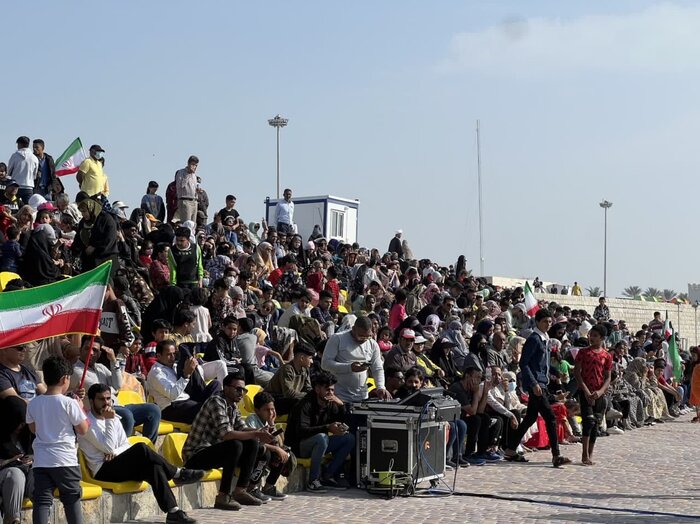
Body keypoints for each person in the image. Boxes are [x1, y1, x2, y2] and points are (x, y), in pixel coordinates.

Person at [78, 384, 201, 524]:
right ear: (92, 400)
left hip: (116, 463)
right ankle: (176, 473)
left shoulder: (113, 417)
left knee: (154, 468)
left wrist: (115, 452)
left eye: (108, 399)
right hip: (102, 469)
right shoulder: (88, 423)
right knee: (141, 448)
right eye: (101, 399)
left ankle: (173, 511)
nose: (106, 403)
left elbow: (123, 445)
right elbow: (109, 446)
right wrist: (110, 422)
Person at [182, 372, 274, 510]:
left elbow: (242, 428)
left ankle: (240, 491)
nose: (241, 393)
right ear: (225, 388)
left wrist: (261, 432)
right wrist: (256, 433)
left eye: (244, 390)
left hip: (214, 452)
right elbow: (226, 434)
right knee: (235, 445)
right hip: (195, 455)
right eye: (238, 389)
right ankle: (223, 496)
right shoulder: (216, 401)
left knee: (254, 443)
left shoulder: (232, 406)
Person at [502, 309, 572, 468]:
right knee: (550, 417)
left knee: (530, 418)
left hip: (542, 383)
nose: (548, 324)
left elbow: (543, 364)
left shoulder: (545, 339)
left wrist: (555, 373)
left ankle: (511, 448)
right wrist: (533, 383)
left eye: (550, 322)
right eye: (545, 321)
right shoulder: (534, 339)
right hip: (537, 385)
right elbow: (524, 363)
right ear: (538, 322)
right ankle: (556, 455)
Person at [26, 356, 89, 524]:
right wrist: (81, 408)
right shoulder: (69, 403)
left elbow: (33, 429)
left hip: (41, 461)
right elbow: (83, 429)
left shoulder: (33, 403)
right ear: (64, 379)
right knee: (71, 499)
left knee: (41, 501)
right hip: (65, 461)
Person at [70, 336, 161, 443]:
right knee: (126, 415)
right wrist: (113, 390)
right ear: (80, 350)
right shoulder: (75, 370)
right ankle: (122, 452)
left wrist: (113, 361)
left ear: (99, 354)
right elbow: (99, 390)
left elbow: (118, 385)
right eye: (87, 348)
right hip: (100, 412)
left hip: (117, 406)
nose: (90, 353)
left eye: (95, 350)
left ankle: (147, 446)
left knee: (153, 410)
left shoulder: (100, 367)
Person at [284, 372, 354, 492]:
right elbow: (301, 431)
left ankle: (327, 476)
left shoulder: (330, 404)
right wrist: (327, 428)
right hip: (298, 446)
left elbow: (340, 421)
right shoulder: (305, 404)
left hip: (320, 444)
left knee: (349, 438)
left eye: (332, 390)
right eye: (327, 390)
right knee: (322, 438)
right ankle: (313, 481)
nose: (331, 393)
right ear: (317, 389)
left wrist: (341, 406)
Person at [321, 316, 391, 402]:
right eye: (361, 336)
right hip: (339, 396)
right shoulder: (337, 339)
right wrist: (349, 367)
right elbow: (325, 364)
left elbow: (377, 368)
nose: (364, 340)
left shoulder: (372, 344)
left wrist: (380, 387)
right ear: (353, 329)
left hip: (362, 396)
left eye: (368, 336)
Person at [245, 391, 296, 501]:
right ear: (257, 410)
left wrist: (272, 423)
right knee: (267, 454)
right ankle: (251, 488)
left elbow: (277, 443)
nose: (271, 413)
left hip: (265, 450)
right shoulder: (251, 420)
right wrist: (276, 448)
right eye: (267, 410)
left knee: (284, 452)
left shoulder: (268, 422)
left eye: (272, 409)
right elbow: (256, 443)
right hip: (253, 453)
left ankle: (268, 487)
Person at [574, 324, 613, 465]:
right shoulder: (583, 353)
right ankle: (584, 454)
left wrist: (600, 391)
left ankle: (590, 453)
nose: (592, 338)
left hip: (599, 394)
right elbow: (577, 373)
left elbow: (608, 377)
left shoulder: (606, 356)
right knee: (588, 422)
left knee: (595, 424)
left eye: (595, 336)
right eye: (591, 335)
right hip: (585, 392)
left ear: (602, 338)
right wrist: (586, 391)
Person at [147, 340, 204, 424]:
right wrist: (186, 375)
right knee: (205, 409)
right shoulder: (156, 373)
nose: (172, 357)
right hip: (171, 408)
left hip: (187, 401)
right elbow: (173, 395)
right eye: (169, 355)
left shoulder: (175, 366)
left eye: (174, 354)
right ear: (159, 356)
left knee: (215, 387)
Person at [265, 343, 314, 415]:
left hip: (288, 400)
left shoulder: (305, 369)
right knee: (298, 402)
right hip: (273, 402)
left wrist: (315, 395)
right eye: (310, 358)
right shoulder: (287, 369)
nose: (312, 361)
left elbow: (308, 388)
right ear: (302, 358)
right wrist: (309, 395)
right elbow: (289, 393)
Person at [7, 136, 38, 204]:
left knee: (14, 206)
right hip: (29, 186)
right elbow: (35, 175)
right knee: (27, 208)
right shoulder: (34, 158)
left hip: (15, 187)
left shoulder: (14, 156)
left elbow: (9, 171)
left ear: (20, 144)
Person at [174, 156, 199, 224]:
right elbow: (180, 186)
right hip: (185, 201)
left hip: (194, 201)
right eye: (193, 165)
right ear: (188, 164)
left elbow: (193, 188)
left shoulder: (194, 175)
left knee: (193, 225)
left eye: (196, 165)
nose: (195, 167)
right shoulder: (181, 172)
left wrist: (198, 191)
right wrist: (188, 174)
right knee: (187, 224)